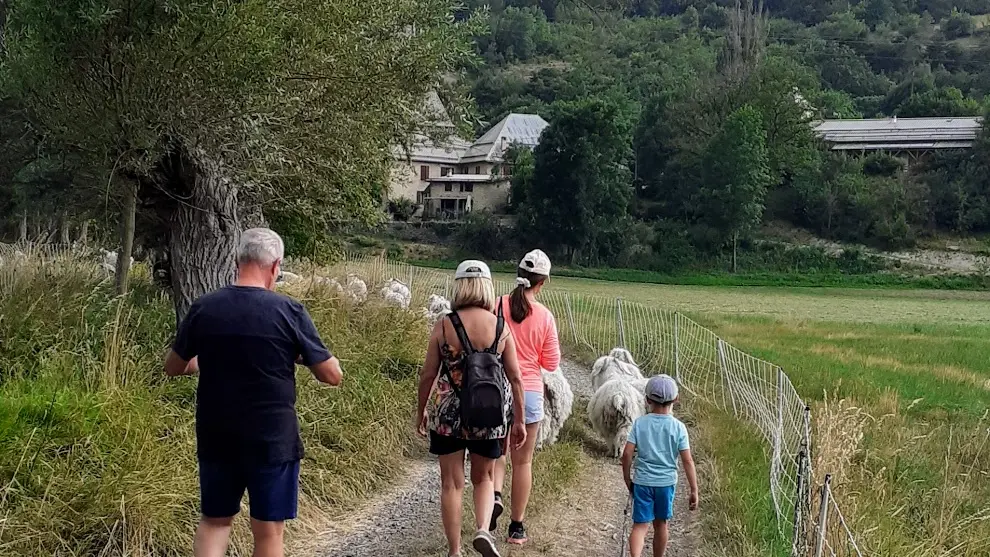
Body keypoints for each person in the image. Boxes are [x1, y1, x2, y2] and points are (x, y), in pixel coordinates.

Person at [163, 228, 344, 557]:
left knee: (215, 521)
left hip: (216, 435)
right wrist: (297, 355)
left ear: (237, 261)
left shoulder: (205, 307)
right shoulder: (289, 311)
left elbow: (174, 366)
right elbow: (332, 375)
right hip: (272, 439)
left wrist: (210, 357)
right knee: (268, 531)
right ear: (275, 266)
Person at [416, 260, 527, 557]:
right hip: (489, 413)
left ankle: (454, 551)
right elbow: (516, 378)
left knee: (451, 484)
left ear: (460, 286)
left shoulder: (444, 325)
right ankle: (482, 529)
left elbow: (428, 374)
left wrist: (421, 409)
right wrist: (518, 420)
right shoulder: (500, 327)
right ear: (487, 287)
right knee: (485, 478)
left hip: (448, 414)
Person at [491, 249, 560, 545]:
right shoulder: (545, 316)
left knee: (496, 453)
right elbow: (552, 363)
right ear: (542, 283)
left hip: (494, 389)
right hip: (529, 392)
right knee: (523, 462)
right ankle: (516, 527)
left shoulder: (496, 305)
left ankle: (494, 496)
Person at [621, 375, 699, 557]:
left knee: (640, 526)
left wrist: (627, 478)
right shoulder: (679, 427)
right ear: (676, 399)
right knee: (661, 524)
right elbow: (687, 461)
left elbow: (626, 454)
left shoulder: (640, 423)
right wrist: (694, 489)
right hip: (666, 483)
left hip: (642, 482)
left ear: (647, 399)